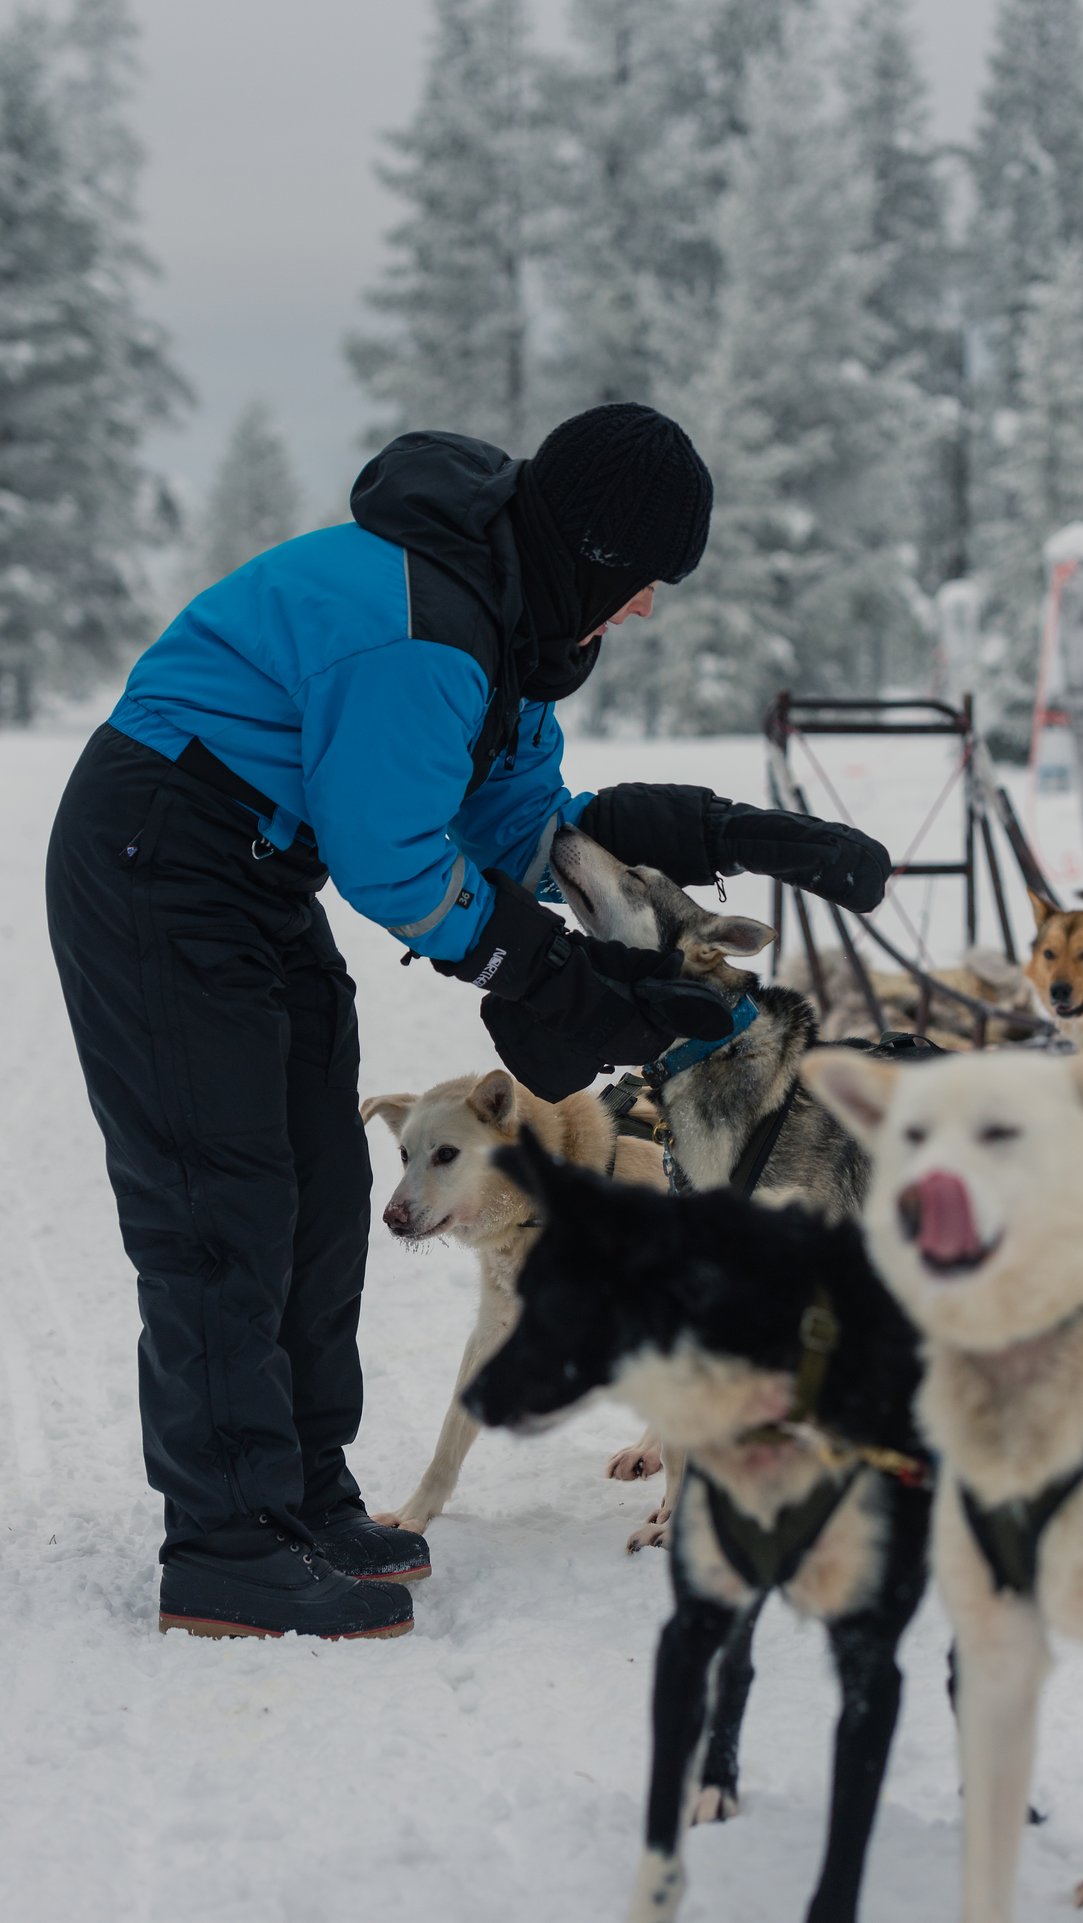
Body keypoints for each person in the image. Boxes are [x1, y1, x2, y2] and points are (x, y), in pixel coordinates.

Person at [45, 402, 890, 1640]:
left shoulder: (502, 620)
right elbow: (393, 859)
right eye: (644, 581)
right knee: (221, 1199)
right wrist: (558, 979)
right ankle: (226, 1541)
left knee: (322, 1183)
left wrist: (726, 834)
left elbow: (516, 828)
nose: (647, 608)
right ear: (596, 556)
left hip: (253, 876)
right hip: (156, 859)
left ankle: (302, 1497)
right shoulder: (428, 628)